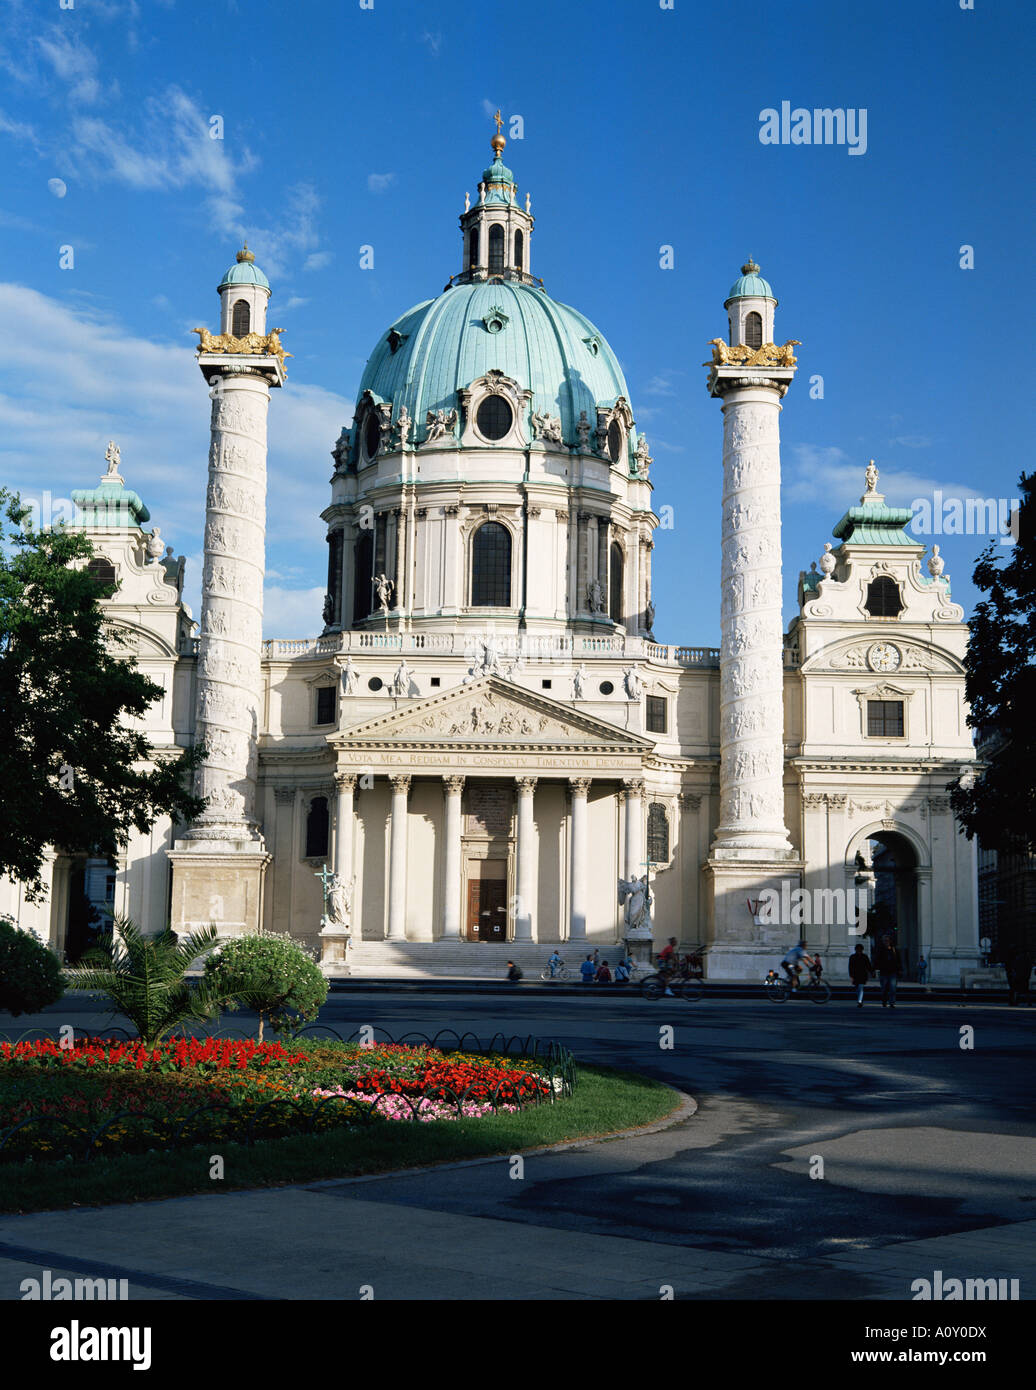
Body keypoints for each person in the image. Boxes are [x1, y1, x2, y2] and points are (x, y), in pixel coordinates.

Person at [872, 933, 901, 1008]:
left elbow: (898, 960)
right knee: (884, 989)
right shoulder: (880, 950)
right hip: (883, 972)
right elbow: (876, 960)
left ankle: (892, 1002)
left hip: (893, 972)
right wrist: (874, 969)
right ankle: (884, 1001)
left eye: (887, 940)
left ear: (890, 941)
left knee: (893, 988)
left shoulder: (894, 950)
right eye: (885, 940)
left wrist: (900, 969)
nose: (886, 942)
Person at [848, 943, 872, 1007]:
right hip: (857, 975)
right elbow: (850, 967)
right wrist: (851, 975)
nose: (859, 951)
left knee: (860, 987)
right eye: (858, 949)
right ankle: (859, 999)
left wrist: (871, 972)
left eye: (860, 950)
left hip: (862, 975)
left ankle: (860, 1001)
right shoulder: (853, 957)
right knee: (858, 988)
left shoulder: (863, 956)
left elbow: (868, 966)